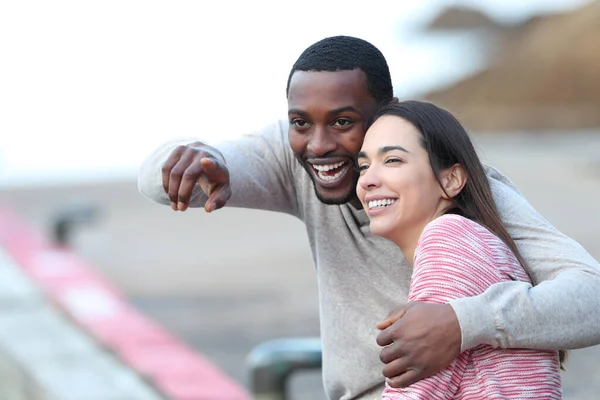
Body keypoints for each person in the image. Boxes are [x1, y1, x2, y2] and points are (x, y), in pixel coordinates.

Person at [138, 36, 600, 399]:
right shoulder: (299, 160)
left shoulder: (461, 196)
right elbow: (161, 184)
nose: (318, 145)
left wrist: (464, 322)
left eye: (343, 122)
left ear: (386, 113)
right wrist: (195, 158)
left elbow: (592, 297)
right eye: (301, 123)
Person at [356, 100, 563, 399]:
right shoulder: (472, 241)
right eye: (364, 166)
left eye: (392, 161)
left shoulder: (449, 239)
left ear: (451, 180)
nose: (368, 181)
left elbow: (416, 391)